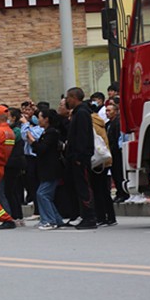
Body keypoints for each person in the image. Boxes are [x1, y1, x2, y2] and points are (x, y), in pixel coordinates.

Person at [27, 109, 66, 230]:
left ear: (46, 119)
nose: (38, 120)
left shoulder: (52, 133)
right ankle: (56, 220)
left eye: (39, 117)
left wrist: (32, 141)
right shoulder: (46, 132)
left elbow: (42, 149)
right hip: (46, 169)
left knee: (42, 194)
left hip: (51, 169)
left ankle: (49, 221)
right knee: (45, 195)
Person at [64, 87, 97, 229]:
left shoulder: (82, 113)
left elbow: (82, 136)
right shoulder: (77, 113)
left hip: (80, 158)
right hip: (75, 156)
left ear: (74, 97)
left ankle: (90, 217)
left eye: (68, 98)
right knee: (78, 187)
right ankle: (84, 216)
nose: (67, 101)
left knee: (84, 188)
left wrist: (79, 156)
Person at [90, 102, 117, 227]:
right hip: (104, 159)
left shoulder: (91, 123)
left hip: (97, 160)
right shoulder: (99, 122)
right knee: (104, 190)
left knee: (98, 190)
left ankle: (101, 217)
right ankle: (110, 217)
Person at [3, 108, 26, 226]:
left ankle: (16, 216)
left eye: (8, 117)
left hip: (13, 163)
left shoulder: (15, 130)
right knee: (12, 190)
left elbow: (7, 141)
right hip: (11, 162)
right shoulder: (11, 129)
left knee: (11, 190)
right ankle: (17, 216)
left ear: (14, 118)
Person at [106, 103, 126, 203]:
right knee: (115, 173)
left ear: (116, 111)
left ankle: (123, 193)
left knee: (119, 173)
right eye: (106, 111)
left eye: (109, 110)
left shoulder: (117, 123)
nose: (107, 113)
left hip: (116, 152)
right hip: (110, 152)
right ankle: (119, 193)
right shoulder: (107, 124)